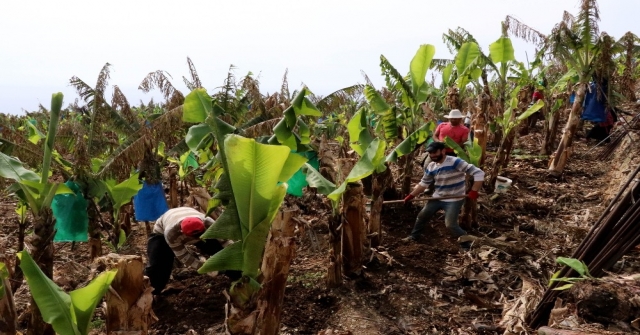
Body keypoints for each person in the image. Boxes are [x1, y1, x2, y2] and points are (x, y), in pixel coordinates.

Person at [402, 141, 485, 249]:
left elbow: (479, 173)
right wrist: (411, 195)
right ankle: (414, 236)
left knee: (450, 225)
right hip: (438, 197)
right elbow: (424, 184)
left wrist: (474, 190)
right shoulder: (431, 166)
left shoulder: (455, 162)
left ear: (443, 151)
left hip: (454, 199)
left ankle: (467, 244)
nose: (432, 155)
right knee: (422, 216)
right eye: (430, 153)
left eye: (435, 152)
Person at [144, 207, 232, 295]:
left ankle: (236, 276)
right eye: (195, 237)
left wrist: (235, 254)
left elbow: (225, 240)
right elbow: (185, 257)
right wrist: (206, 268)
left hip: (191, 221)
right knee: (159, 265)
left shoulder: (208, 222)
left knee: (219, 249)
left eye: (200, 235)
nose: (198, 238)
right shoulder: (171, 233)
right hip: (161, 233)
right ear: (181, 231)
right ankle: (152, 294)